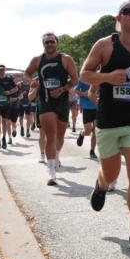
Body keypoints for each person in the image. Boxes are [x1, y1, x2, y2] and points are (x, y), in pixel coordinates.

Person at [81, 0, 130, 252]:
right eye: (128, 10)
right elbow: (85, 74)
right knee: (112, 174)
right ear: (119, 17)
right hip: (109, 122)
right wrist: (108, 77)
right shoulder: (105, 45)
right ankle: (101, 185)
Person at [24, 34, 79, 185]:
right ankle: (51, 172)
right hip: (45, 101)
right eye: (46, 42)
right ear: (43, 44)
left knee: (60, 137)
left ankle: (57, 156)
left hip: (62, 101)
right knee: (51, 135)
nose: (49, 44)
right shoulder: (37, 60)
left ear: (57, 43)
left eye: (52, 41)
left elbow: (75, 79)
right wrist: (32, 82)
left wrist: (63, 89)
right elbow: (27, 73)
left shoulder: (65, 59)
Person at [0, 66, 18, 150]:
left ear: (5, 71)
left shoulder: (9, 80)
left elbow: (16, 88)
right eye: (0, 70)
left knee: (4, 122)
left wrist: (9, 92)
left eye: (3, 70)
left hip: (6, 103)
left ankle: (4, 139)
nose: (1, 71)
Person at [75, 79, 98, 159]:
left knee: (96, 130)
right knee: (88, 131)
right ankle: (82, 133)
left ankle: (92, 151)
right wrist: (83, 94)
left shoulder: (100, 76)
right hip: (86, 106)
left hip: (98, 107)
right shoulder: (83, 78)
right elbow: (76, 90)